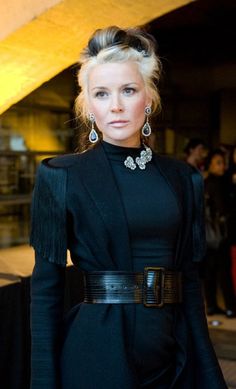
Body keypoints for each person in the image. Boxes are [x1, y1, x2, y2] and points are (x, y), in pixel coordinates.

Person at [30, 26, 227, 389]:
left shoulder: (183, 178)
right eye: (101, 94)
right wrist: (43, 380)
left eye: (128, 90)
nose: (116, 105)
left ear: (148, 99)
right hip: (96, 354)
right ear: (88, 105)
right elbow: (46, 290)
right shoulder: (61, 175)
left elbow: (190, 279)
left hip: (173, 350)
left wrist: (208, 370)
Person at [203, 149, 236, 317]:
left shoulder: (206, 182)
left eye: (223, 162)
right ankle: (231, 307)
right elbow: (223, 209)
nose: (222, 165)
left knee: (210, 273)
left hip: (207, 235)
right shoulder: (219, 183)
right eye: (218, 162)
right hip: (220, 235)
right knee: (224, 273)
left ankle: (211, 306)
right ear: (210, 165)